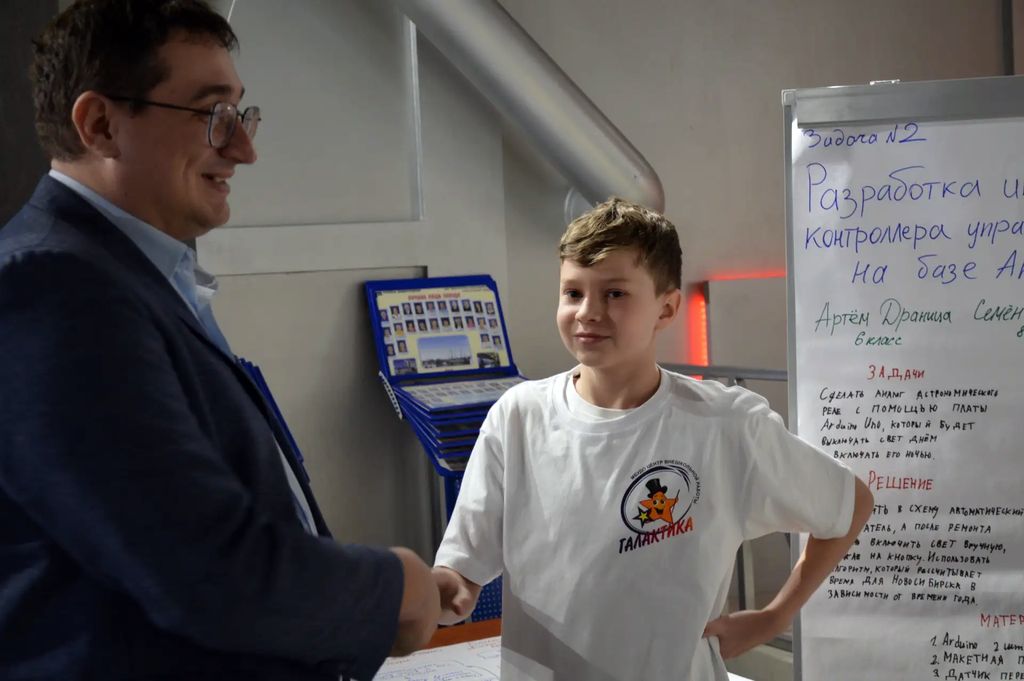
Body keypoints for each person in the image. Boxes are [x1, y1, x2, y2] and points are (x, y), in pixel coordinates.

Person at [0, 2, 439, 679]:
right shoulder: (52, 288)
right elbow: (204, 568)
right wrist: (394, 586)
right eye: (213, 115)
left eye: (241, 115)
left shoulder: (137, 276)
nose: (243, 149)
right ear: (101, 124)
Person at [432, 197, 874, 680]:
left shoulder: (725, 424)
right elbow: (463, 567)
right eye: (573, 292)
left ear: (666, 309)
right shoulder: (517, 416)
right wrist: (434, 591)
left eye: (615, 293)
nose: (587, 312)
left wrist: (774, 616)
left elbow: (849, 504)